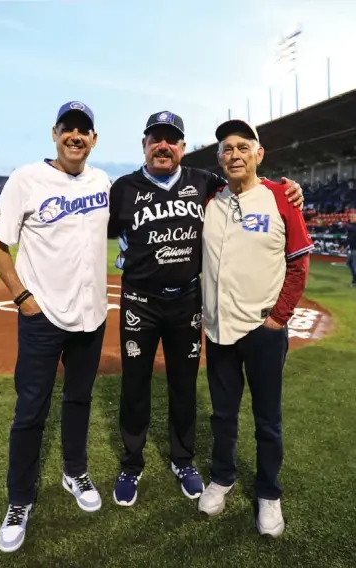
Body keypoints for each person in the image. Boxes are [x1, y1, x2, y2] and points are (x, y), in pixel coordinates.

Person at [107, 110, 304, 507]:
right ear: (144, 145)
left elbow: (249, 183)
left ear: (182, 147)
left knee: (184, 386)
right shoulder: (123, 188)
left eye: (172, 140)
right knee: (134, 385)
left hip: (186, 302)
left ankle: (184, 460)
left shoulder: (205, 184)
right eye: (155, 139)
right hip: (139, 303)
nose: (163, 146)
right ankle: (131, 464)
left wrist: (291, 189)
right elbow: (98, 230)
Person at [0, 101, 111, 553]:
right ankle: (19, 499)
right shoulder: (26, 179)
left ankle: (74, 471)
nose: (76, 136)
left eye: (84, 130)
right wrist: (23, 298)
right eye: (68, 129)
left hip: (91, 315)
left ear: (94, 139)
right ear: (54, 134)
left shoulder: (103, 181)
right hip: (42, 319)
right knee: (30, 411)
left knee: (78, 399)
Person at [198, 119, 314, 537]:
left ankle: (269, 493)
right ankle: (223, 478)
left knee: (267, 420)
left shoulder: (282, 197)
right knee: (223, 415)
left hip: (262, 330)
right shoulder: (210, 200)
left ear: (258, 154)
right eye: (227, 148)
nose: (234, 154)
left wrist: (278, 317)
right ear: (219, 158)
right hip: (218, 329)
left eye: (243, 147)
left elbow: (299, 264)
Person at [345, 213, 356, 286]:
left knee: (354, 266)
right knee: (349, 263)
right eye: (350, 217)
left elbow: (351, 236)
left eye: (353, 217)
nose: (351, 218)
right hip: (352, 248)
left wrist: (343, 244)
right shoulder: (351, 226)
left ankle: (355, 281)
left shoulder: (353, 227)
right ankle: (354, 279)